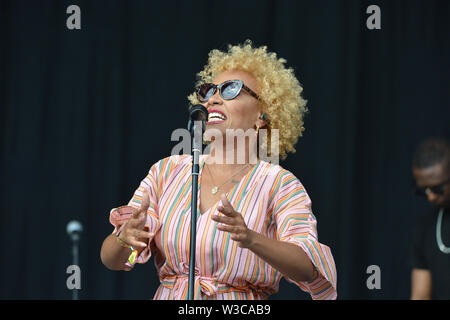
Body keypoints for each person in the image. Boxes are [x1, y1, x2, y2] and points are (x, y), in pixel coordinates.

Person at [100, 40, 337, 300]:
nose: (213, 98)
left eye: (231, 90)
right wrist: (125, 238)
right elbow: (112, 259)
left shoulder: (280, 184)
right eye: (209, 90)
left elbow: (307, 267)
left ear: (263, 115)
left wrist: (250, 239)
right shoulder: (167, 172)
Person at [410, 138, 450, 299]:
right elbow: (420, 296)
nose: (431, 197)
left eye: (437, 188)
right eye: (424, 191)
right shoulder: (424, 228)